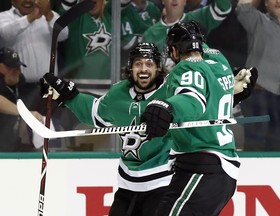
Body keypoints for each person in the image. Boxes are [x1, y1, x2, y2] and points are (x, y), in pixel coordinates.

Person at [40, 42, 174, 216]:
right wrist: (67, 96)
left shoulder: (170, 92)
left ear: (158, 69)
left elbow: (190, 109)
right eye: (138, 64)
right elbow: (95, 113)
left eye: (149, 64)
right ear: (131, 68)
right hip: (127, 183)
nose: (143, 69)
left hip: (161, 182)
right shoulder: (119, 92)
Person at [140, 21, 241, 216]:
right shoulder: (220, 62)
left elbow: (192, 100)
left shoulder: (186, 68)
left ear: (175, 50)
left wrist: (169, 108)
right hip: (215, 169)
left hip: (203, 166)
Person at [235, 0, 280, 150]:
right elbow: (242, 7)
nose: (278, 1)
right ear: (265, 3)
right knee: (255, 143)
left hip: (279, 96)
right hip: (257, 94)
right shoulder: (258, 21)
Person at [0, 0, 68, 113]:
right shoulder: (4, 16)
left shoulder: (49, 16)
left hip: (50, 87)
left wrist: (48, 14)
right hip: (22, 88)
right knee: (25, 125)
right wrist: (30, 17)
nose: (28, 1)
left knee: (53, 125)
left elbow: (64, 34)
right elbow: (6, 34)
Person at [142, 0, 232, 70]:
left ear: (185, 1)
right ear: (163, 1)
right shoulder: (150, 34)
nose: (174, 0)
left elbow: (223, 8)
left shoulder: (197, 19)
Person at [0, 47, 43, 152]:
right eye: (12, 67)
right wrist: (25, 113)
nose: (17, 71)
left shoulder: (20, 81)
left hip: (12, 140)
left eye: (18, 67)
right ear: (1, 67)